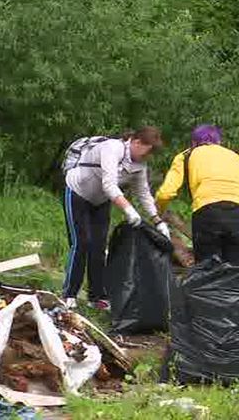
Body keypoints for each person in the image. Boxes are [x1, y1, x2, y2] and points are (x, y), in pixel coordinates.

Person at [61, 126, 167, 310]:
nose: (147, 157)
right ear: (136, 142)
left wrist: (157, 220)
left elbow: (143, 193)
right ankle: (69, 294)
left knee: (99, 247)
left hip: (100, 201)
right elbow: (109, 184)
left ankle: (96, 297)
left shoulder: (139, 165)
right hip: (78, 192)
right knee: (81, 242)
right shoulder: (112, 148)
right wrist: (129, 210)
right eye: (146, 151)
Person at [155, 124, 239, 267]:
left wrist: (159, 213)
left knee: (206, 271)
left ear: (193, 143)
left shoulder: (186, 155)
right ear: (219, 142)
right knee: (236, 271)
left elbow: (165, 194)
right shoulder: (237, 158)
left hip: (207, 212)